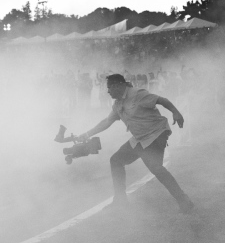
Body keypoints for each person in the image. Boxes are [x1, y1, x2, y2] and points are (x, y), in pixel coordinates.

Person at [76, 74, 195, 213]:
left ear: (118, 85)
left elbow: (162, 100)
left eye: (109, 88)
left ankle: (184, 200)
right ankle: (120, 201)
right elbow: (106, 122)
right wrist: (87, 134)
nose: (107, 91)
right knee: (116, 160)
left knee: (156, 168)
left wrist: (176, 112)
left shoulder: (138, 94)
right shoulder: (118, 104)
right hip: (139, 138)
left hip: (156, 134)